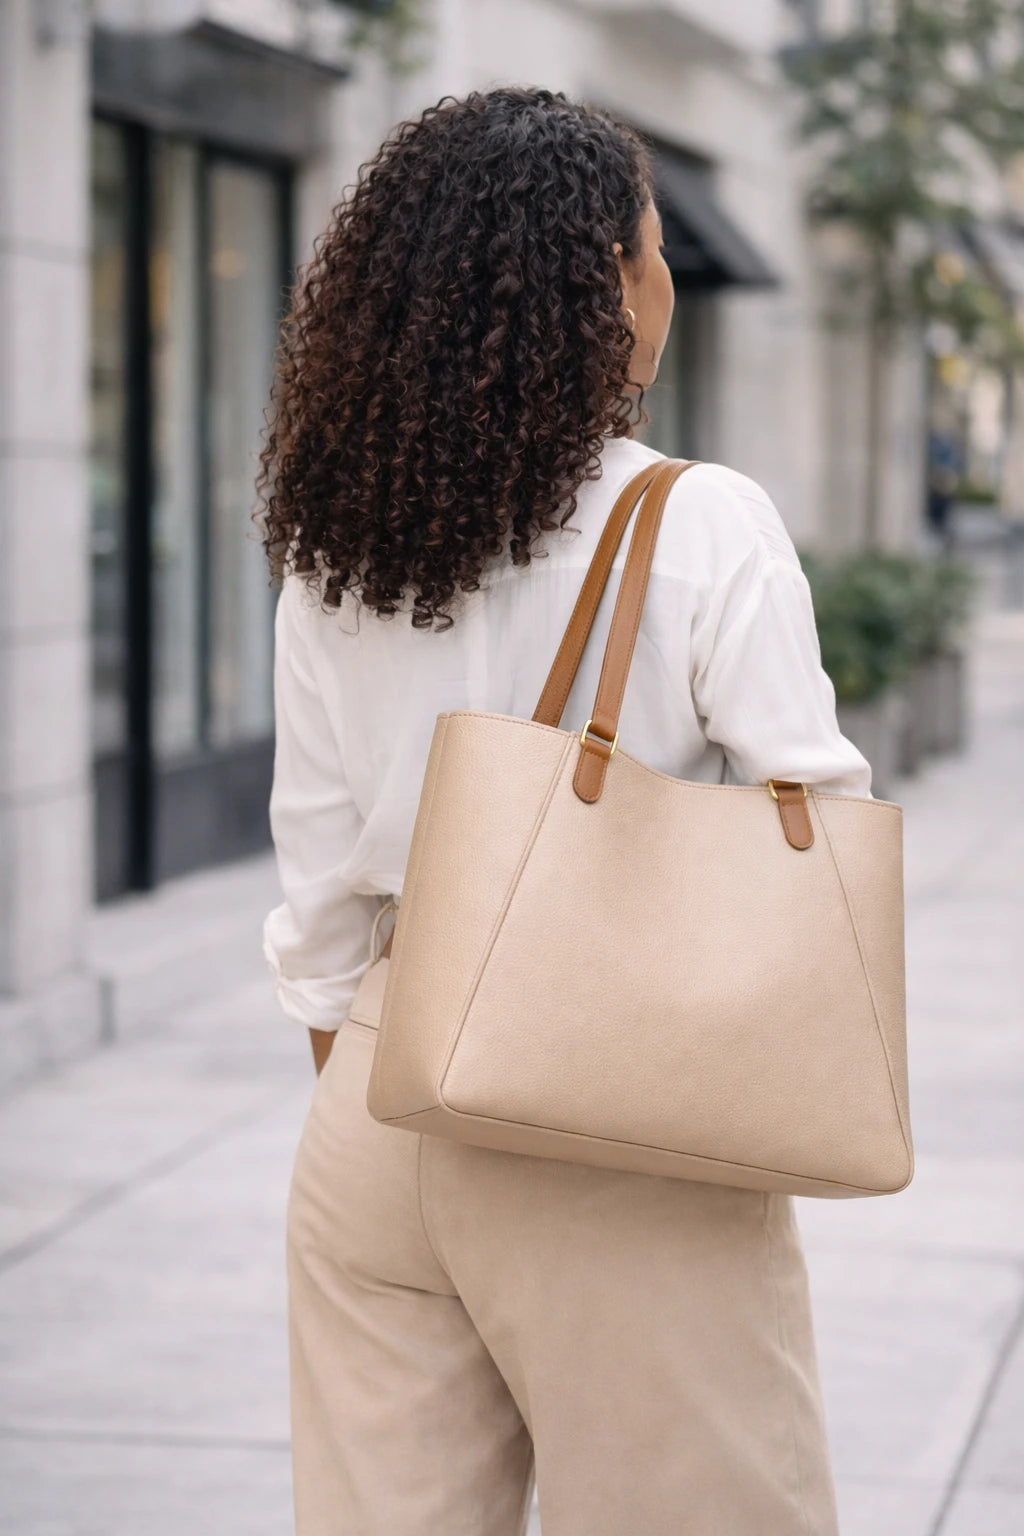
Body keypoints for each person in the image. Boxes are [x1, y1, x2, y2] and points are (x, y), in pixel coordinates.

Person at [258, 86, 869, 1536]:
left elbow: (320, 886)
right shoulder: (699, 521)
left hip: (383, 1104)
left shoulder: (343, 549)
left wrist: (383, 1074)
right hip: (621, 1125)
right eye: (650, 251)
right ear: (606, 288)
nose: (660, 283)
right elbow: (819, 830)